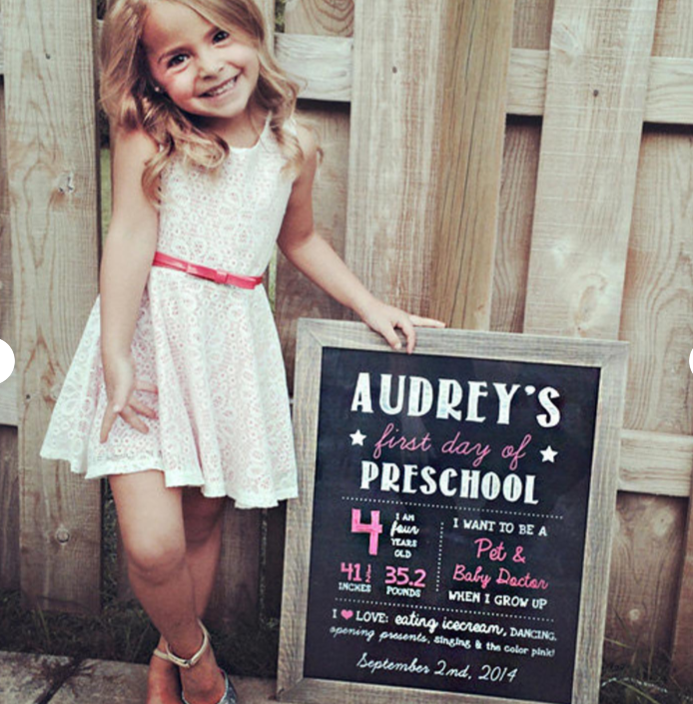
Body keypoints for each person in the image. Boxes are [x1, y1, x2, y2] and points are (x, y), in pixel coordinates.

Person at [40, 0, 444, 702]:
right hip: (147, 335)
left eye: (218, 36)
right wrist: (114, 352)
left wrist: (368, 304)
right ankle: (201, 668)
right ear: (153, 77)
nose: (208, 65)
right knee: (152, 543)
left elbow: (298, 241)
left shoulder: (294, 145)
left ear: (251, 30)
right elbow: (131, 236)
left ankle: (168, 654)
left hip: (228, 340)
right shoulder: (149, 131)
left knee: (199, 520)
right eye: (177, 57)